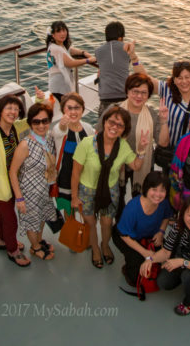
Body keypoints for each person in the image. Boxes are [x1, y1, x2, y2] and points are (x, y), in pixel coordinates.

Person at [71, 105, 150, 268]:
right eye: (111, 122)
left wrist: (141, 151)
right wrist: (74, 196)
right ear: (104, 122)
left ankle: (105, 245)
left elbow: (135, 166)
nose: (114, 127)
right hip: (86, 190)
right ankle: (95, 249)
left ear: (124, 130)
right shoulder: (87, 143)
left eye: (119, 125)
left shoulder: (123, 147)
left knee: (107, 223)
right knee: (90, 223)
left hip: (110, 190)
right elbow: (76, 172)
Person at [0, 94, 31, 267]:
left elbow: (30, 120)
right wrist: (4, 190)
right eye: (9, 108)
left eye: (16, 109)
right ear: (0, 111)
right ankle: (13, 250)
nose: (13, 112)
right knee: (11, 219)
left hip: (11, 183)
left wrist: (41, 101)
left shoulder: (14, 128)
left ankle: (3, 241)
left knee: (4, 216)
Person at [128, 51, 190, 150]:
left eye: (187, 77)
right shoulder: (167, 90)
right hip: (169, 149)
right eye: (179, 78)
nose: (184, 81)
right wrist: (134, 58)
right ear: (174, 80)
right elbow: (145, 78)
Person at [113, 73, 169, 214]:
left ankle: (136, 223)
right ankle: (120, 225)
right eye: (135, 91)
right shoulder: (114, 111)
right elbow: (99, 136)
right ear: (127, 91)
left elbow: (162, 142)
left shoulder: (151, 114)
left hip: (143, 163)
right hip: (118, 164)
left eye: (144, 93)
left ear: (149, 95)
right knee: (117, 199)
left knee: (139, 198)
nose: (139, 96)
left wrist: (163, 121)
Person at [9, 103, 57, 260]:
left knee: (42, 217)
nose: (41, 125)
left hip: (44, 189)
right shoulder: (25, 145)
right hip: (29, 192)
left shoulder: (49, 139)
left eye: (45, 121)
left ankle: (39, 239)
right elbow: (13, 172)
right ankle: (35, 247)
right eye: (36, 122)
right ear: (30, 123)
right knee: (32, 221)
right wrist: (19, 198)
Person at [112, 171, 173, 286]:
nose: (158, 194)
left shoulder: (164, 203)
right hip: (126, 237)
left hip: (149, 236)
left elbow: (166, 217)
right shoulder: (133, 208)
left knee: (159, 266)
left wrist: (161, 232)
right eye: (154, 189)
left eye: (162, 190)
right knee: (136, 278)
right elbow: (123, 235)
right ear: (146, 188)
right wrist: (145, 252)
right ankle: (128, 267)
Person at [52, 92, 94, 218]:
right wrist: (62, 124)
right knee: (69, 213)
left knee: (85, 214)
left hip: (85, 178)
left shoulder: (88, 128)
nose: (73, 111)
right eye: (69, 108)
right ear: (63, 110)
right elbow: (59, 131)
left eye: (77, 108)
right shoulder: (59, 129)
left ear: (82, 109)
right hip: (65, 179)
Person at [46, 20, 96, 102]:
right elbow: (70, 63)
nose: (62, 33)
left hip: (58, 84)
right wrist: (88, 60)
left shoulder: (55, 45)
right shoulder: (56, 49)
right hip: (60, 85)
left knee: (68, 108)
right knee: (68, 108)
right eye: (59, 31)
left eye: (64, 30)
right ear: (53, 35)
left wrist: (83, 52)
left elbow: (70, 50)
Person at [95, 21, 133, 116]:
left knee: (104, 126)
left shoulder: (98, 51)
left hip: (105, 96)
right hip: (123, 95)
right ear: (120, 37)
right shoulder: (126, 48)